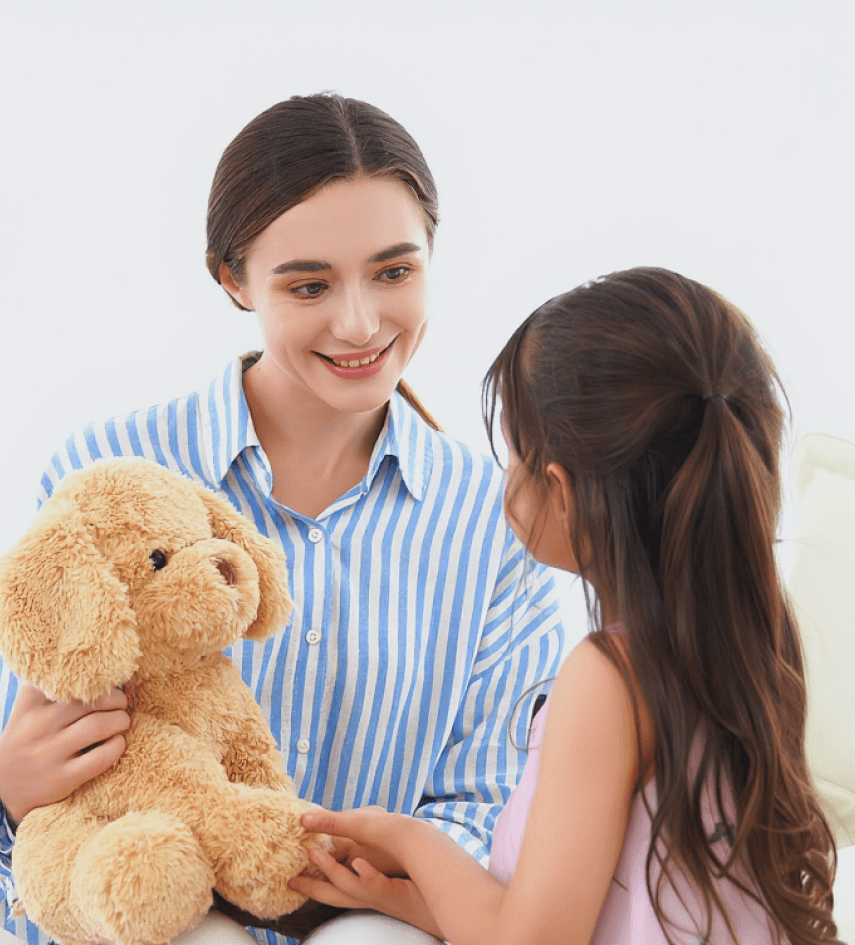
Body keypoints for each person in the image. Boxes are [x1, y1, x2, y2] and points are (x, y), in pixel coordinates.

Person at [0, 93, 565, 945]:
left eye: (394, 271)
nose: (360, 322)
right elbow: (33, 767)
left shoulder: (495, 521)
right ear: (233, 279)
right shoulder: (108, 472)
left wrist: (345, 895)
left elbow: (486, 800)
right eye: (309, 284)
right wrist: (8, 792)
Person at [290, 268, 841, 944]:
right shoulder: (757, 632)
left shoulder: (606, 675)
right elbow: (586, 912)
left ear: (560, 487)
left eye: (516, 452)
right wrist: (409, 896)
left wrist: (408, 837)